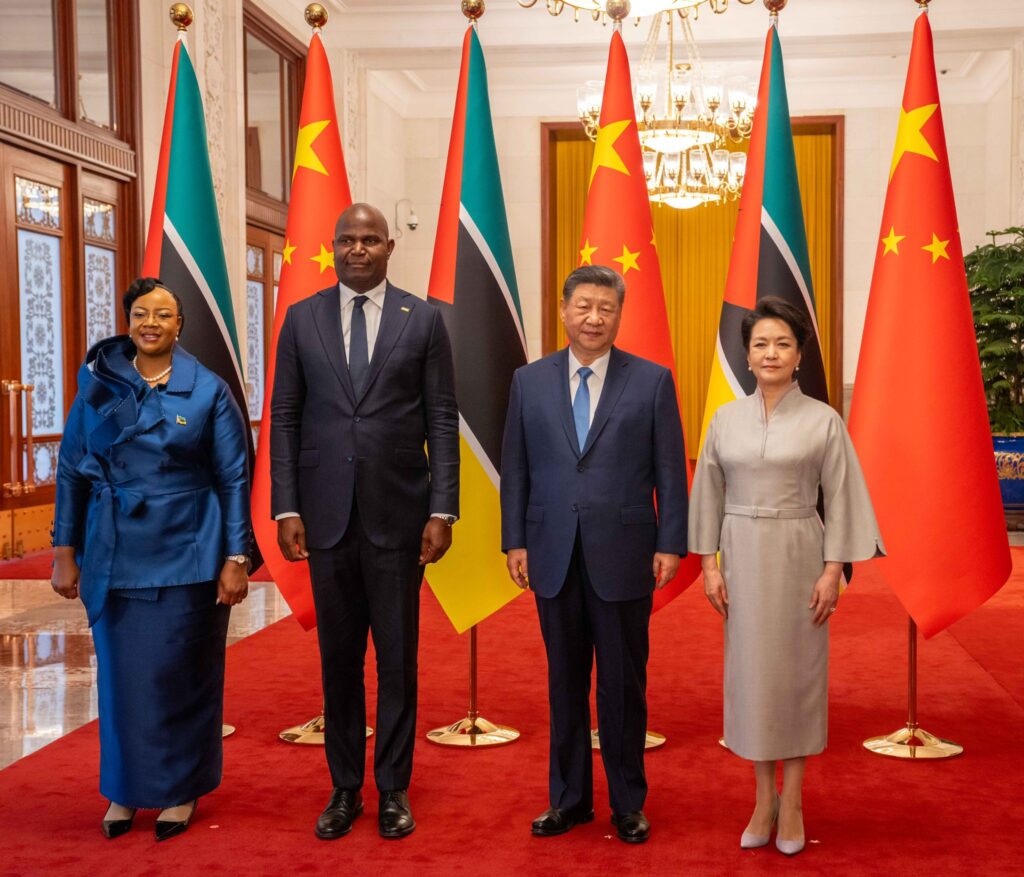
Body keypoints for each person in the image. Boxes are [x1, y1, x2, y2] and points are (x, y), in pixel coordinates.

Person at [270, 203, 459, 841]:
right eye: (347, 240)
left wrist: (443, 507)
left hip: (400, 515)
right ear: (332, 248)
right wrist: (287, 505)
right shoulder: (302, 319)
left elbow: (441, 416)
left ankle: (394, 789)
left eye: (370, 239)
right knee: (339, 660)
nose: (358, 249)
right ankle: (345, 787)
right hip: (324, 518)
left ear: (388, 248)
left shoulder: (423, 318)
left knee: (398, 661)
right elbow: (287, 418)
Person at [50, 277, 251, 841]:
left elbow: (235, 477)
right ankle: (124, 790)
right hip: (113, 552)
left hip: (188, 552)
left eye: (163, 315)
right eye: (141, 313)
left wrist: (237, 555)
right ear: (128, 320)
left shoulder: (207, 390)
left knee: (180, 676)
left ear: (180, 325)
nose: (151, 324)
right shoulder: (97, 385)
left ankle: (179, 790)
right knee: (121, 679)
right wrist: (64, 550)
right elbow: (71, 468)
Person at [689, 297, 884, 856]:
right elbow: (708, 492)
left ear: (798, 355)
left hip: (801, 552)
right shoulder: (725, 419)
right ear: (746, 356)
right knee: (751, 679)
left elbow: (843, 499)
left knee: (796, 679)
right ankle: (762, 798)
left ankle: (793, 801)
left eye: (782, 344)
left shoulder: (825, 419)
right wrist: (708, 563)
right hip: (740, 554)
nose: (770, 353)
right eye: (760, 344)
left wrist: (832, 572)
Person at [500, 265, 688, 844]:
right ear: (563, 310)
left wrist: (670, 544)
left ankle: (628, 801)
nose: (594, 318)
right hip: (552, 550)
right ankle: (569, 800)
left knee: (623, 686)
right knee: (564, 681)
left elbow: (670, 472)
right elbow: (517, 469)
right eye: (583, 306)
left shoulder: (651, 381)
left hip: (627, 552)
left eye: (606, 308)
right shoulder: (528, 381)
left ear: (618, 314)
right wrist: (515, 539)